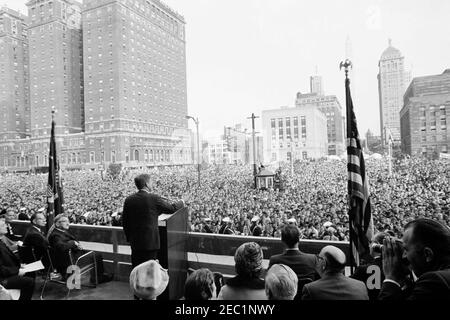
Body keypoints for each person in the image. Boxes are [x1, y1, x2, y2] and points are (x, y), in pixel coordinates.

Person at [122, 174, 185, 268]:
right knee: (150, 271)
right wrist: (181, 202)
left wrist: (129, 239)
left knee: (137, 269)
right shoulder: (153, 198)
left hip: (135, 243)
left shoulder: (128, 200)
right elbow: (171, 208)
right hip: (150, 244)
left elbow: (125, 222)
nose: (153, 184)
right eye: (151, 182)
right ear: (146, 184)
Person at [379, 218, 450, 300]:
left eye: (406, 250)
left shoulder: (434, 281)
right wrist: (406, 281)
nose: (403, 256)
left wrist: (391, 278)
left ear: (427, 254)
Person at [48, 214, 112, 283]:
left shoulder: (61, 231)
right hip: (72, 261)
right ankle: (98, 278)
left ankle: (98, 277)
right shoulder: (55, 235)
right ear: (57, 224)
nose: (68, 223)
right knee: (97, 255)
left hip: (73, 256)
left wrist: (77, 244)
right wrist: (74, 243)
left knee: (95, 254)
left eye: (68, 221)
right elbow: (62, 247)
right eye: (65, 221)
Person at [269, 224, 319, 300]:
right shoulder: (313, 259)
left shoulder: (274, 260)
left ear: (282, 241)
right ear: (299, 239)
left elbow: (270, 287)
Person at [302, 245, 369, 300]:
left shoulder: (311, 289)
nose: (317, 261)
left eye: (319, 258)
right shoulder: (361, 286)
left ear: (324, 264)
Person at [0, 218, 35, 300]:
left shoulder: (1, 241)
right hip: (3, 280)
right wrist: (17, 271)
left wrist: (20, 266)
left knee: (31, 273)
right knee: (29, 282)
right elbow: (1, 269)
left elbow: (8, 259)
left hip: (7, 273)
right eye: (3, 225)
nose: (6, 226)